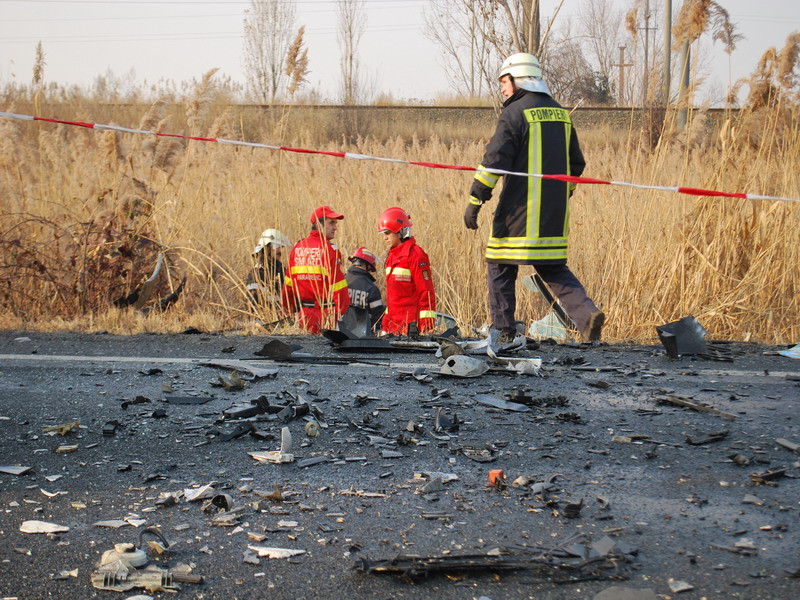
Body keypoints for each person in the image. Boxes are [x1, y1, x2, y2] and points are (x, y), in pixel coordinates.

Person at [464, 52, 605, 343]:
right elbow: (576, 164)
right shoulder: (561, 114)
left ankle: (504, 331)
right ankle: (587, 315)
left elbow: (494, 161)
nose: (502, 88)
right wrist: (560, 196)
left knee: (499, 263)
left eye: (505, 81)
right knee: (552, 266)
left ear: (518, 80)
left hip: (518, 211)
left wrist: (476, 200)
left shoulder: (514, 114)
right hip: (553, 216)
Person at [282, 205, 350, 333]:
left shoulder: (297, 247)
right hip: (326, 317)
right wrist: (345, 317)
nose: (335, 227)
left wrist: (287, 313)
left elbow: (288, 288)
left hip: (303, 317)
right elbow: (339, 289)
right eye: (331, 223)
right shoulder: (329, 250)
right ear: (319, 224)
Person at [379, 207, 436, 335]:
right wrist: (385, 326)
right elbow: (392, 299)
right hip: (393, 330)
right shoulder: (391, 257)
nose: (385, 238)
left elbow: (426, 293)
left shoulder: (416, 255)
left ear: (399, 231)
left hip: (411, 329)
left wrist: (425, 328)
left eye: (387, 233)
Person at [342, 247, 384, 332]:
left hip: (342, 330)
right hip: (363, 334)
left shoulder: (342, 281)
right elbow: (378, 316)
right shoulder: (371, 288)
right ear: (368, 265)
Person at [246, 228, 290, 307]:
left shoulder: (282, 271)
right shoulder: (257, 273)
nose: (279, 251)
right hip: (266, 318)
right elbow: (253, 306)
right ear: (266, 247)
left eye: (281, 247)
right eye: (276, 246)